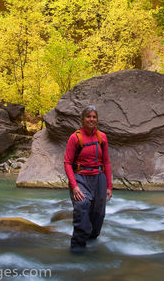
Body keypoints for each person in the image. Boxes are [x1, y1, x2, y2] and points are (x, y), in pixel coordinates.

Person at [64, 105, 112, 253]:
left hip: (99, 178)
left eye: (94, 117)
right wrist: (74, 186)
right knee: (82, 205)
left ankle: (92, 240)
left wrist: (109, 186)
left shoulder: (102, 137)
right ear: (82, 119)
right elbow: (67, 163)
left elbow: (107, 162)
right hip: (80, 178)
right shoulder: (75, 137)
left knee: (99, 214)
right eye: (88, 117)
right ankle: (77, 248)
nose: (91, 119)